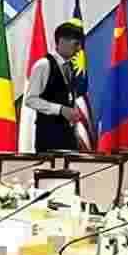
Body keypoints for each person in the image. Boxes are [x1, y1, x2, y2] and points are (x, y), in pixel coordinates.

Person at [21, 22, 91, 155]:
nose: (79, 49)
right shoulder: (43, 65)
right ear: (62, 41)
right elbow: (30, 100)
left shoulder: (70, 67)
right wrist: (60, 109)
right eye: (76, 44)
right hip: (49, 139)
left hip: (68, 139)